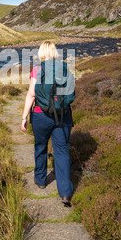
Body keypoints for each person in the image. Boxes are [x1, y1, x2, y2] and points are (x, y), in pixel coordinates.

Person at [21, 41, 74, 206]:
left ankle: (41, 180)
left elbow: (31, 95)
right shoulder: (64, 69)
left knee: (40, 146)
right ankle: (65, 193)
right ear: (55, 53)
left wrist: (24, 118)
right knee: (62, 151)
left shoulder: (37, 70)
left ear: (41, 53)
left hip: (40, 115)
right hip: (62, 116)